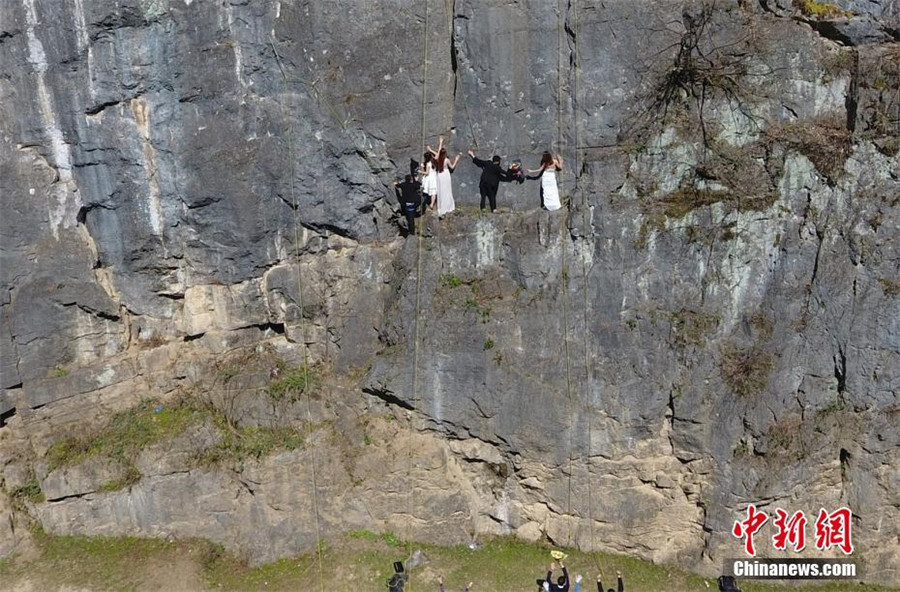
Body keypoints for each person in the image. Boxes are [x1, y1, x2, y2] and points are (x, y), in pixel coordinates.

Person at [427, 136, 460, 218]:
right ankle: (448, 206)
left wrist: (440, 143)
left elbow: (438, 152)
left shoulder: (437, 159)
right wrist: (456, 160)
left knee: (441, 191)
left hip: (439, 175)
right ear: (445, 154)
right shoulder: (446, 160)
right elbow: (452, 167)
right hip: (445, 175)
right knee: (447, 190)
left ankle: (441, 207)